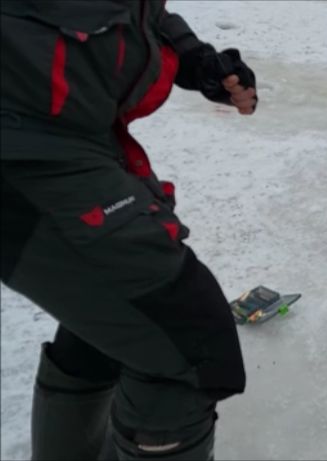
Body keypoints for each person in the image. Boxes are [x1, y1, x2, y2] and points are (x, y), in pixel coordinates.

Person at [1, 1, 258, 458]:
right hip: (26, 157)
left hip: (72, 141)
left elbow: (143, 12)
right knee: (190, 347)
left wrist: (195, 58)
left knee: (119, 318)